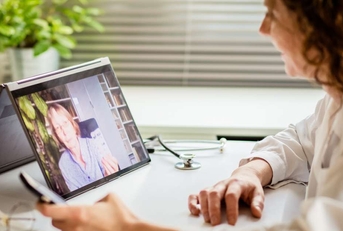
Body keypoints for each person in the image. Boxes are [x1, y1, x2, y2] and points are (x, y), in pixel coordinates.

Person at [37, 0, 343, 230]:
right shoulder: (334, 98)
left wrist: (127, 227)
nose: (263, 29)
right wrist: (252, 171)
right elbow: (303, 141)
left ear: (320, 23)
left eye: (273, 14)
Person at [47, 103, 120, 191]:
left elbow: (112, 183)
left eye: (65, 123)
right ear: (57, 136)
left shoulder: (93, 144)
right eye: (58, 128)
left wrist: (113, 176)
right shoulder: (63, 164)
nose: (64, 132)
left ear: (73, 125)